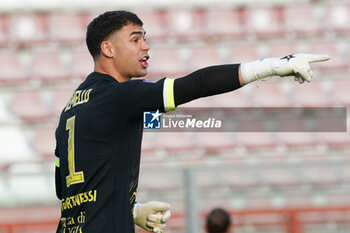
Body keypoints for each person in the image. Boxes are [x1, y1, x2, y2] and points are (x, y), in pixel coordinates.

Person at [54, 10, 329, 233]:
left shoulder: (70, 109)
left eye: (144, 38)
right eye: (135, 39)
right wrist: (268, 67)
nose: (146, 46)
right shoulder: (120, 96)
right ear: (108, 49)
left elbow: (62, 187)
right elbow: (195, 84)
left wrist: (131, 210)